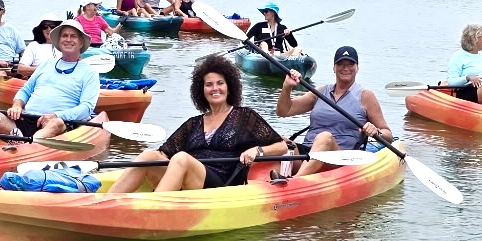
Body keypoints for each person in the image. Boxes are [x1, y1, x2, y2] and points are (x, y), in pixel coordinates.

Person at [109, 54, 288, 194]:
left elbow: (281, 146)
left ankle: (153, 208)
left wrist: (257, 150)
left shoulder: (244, 116)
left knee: (181, 158)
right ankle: (103, 203)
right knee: (149, 155)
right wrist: (155, 160)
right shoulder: (193, 124)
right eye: (209, 85)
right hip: (188, 179)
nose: (215, 88)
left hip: (221, 185)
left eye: (220, 83)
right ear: (201, 90)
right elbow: (163, 154)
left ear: (229, 86)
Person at [275, 46, 400, 174]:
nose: (345, 68)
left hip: (340, 160)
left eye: (350, 64)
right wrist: (287, 87)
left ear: (357, 68)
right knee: (278, 140)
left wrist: (376, 132)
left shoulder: (366, 96)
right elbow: (284, 111)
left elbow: (388, 136)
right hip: (306, 153)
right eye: (340, 64)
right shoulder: (320, 92)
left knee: (325, 137)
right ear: (334, 68)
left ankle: (296, 182)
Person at [5, 18, 109, 140]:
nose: (68, 40)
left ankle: (25, 145)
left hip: (58, 124)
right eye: (64, 36)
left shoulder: (89, 73)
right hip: (27, 118)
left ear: (81, 42)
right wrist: (17, 105)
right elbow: (25, 91)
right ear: (58, 41)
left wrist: (56, 115)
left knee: (57, 123)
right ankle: (20, 141)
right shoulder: (46, 64)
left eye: (73, 36)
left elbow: (86, 108)